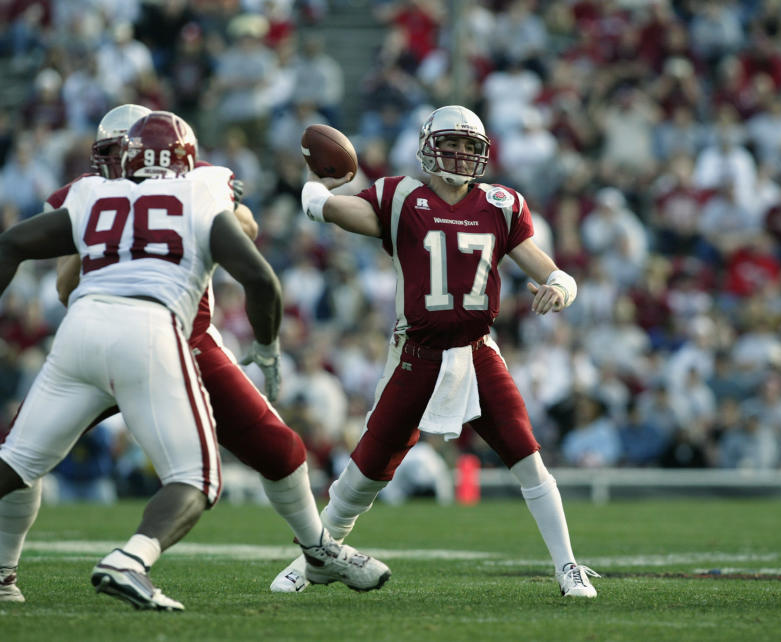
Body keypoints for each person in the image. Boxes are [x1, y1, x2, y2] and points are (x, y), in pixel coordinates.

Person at [0, 106, 389, 604]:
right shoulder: (127, 188)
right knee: (188, 474)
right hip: (150, 334)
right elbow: (65, 281)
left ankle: (317, 549)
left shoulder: (175, 185)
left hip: (171, 338)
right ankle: (11, 570)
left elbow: (242, 224)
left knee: (279, 449)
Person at [272, 105, 598, 598]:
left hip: (476, 351)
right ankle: (312, 559)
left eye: (471, 146)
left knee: (527, 456)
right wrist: (318, 191)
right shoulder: (403, 196)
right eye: (453, 143)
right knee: (365, 473)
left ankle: (569, 567)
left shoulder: (501, 203)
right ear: (429, 146)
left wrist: (560, 288)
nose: (462, 154)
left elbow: (553, 272)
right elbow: (339, 212)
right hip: (416, 354)